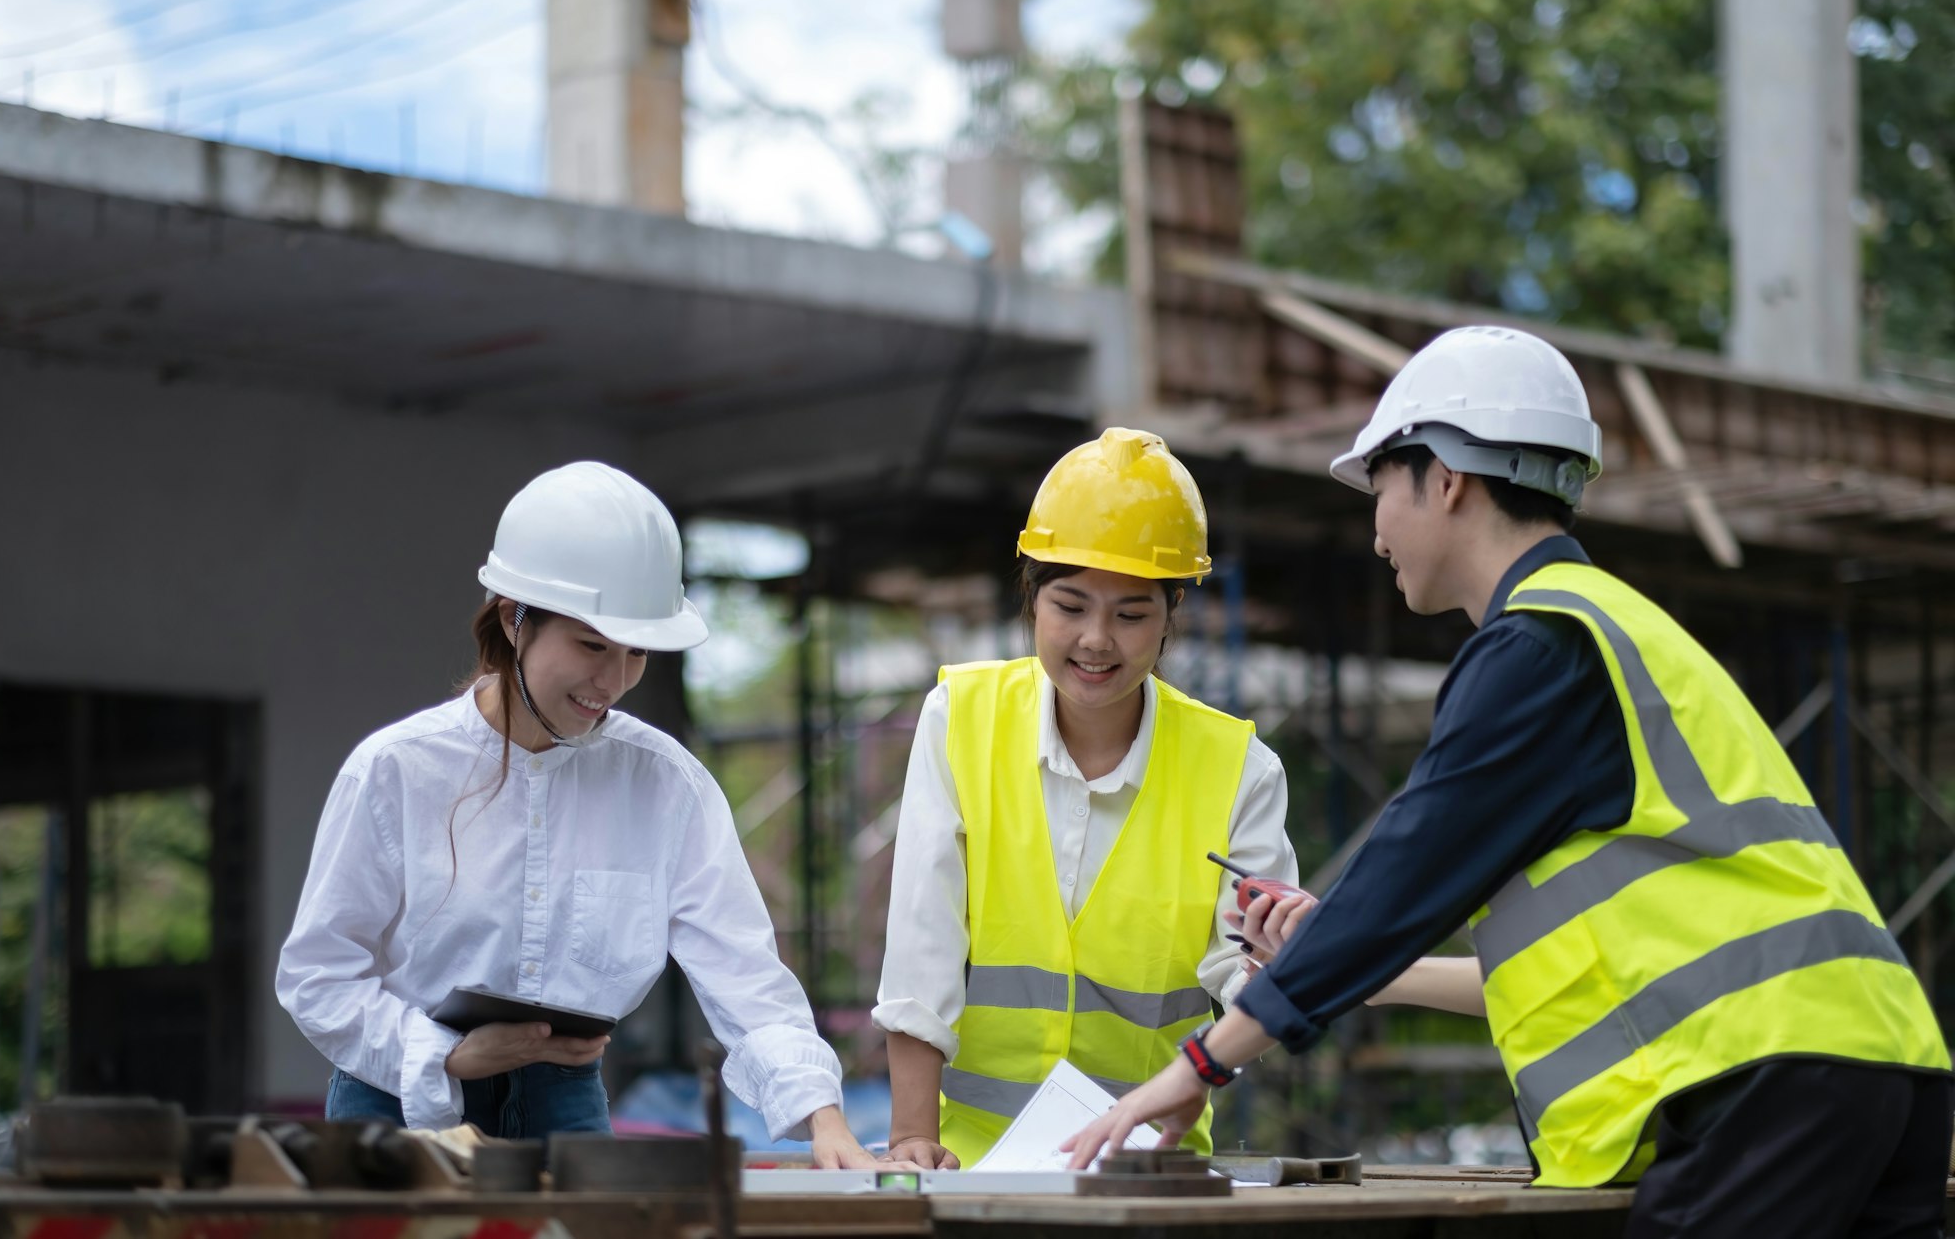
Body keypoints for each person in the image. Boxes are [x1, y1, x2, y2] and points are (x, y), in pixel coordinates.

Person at [1063, 327, 1951, 1237]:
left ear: (1444, 478)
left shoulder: (1537, 649)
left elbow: (1405, 872)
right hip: (1880, 1063)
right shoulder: (1617, 627)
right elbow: (1573, 959)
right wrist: (1371, 972)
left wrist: (1197, 1068)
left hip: (1770, 1084)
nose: (1375, 534)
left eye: (1380, 492)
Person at [278, 461, 879, 1165]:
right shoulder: (397, 770)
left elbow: (743, 970)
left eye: (636, 652)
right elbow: (318, 976)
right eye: (592, 645)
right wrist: (443, 1054)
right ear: (514, 618)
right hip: (396, 1101)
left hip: (562, 1104)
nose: (614, 680)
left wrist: (824, 1120)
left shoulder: (665, 785)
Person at [873, 427, 1305, 1169]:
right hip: (971, 1162)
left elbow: (1253, 975)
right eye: (1070, 607)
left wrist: (1230, 1035)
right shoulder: (960, 719)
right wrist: (914, 1137)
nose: (1097, 640)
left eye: (1132, 614)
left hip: (1149, 1166)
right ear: (1031, 599)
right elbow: (923, 944)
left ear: (1173, 615)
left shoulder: (1241, 770)